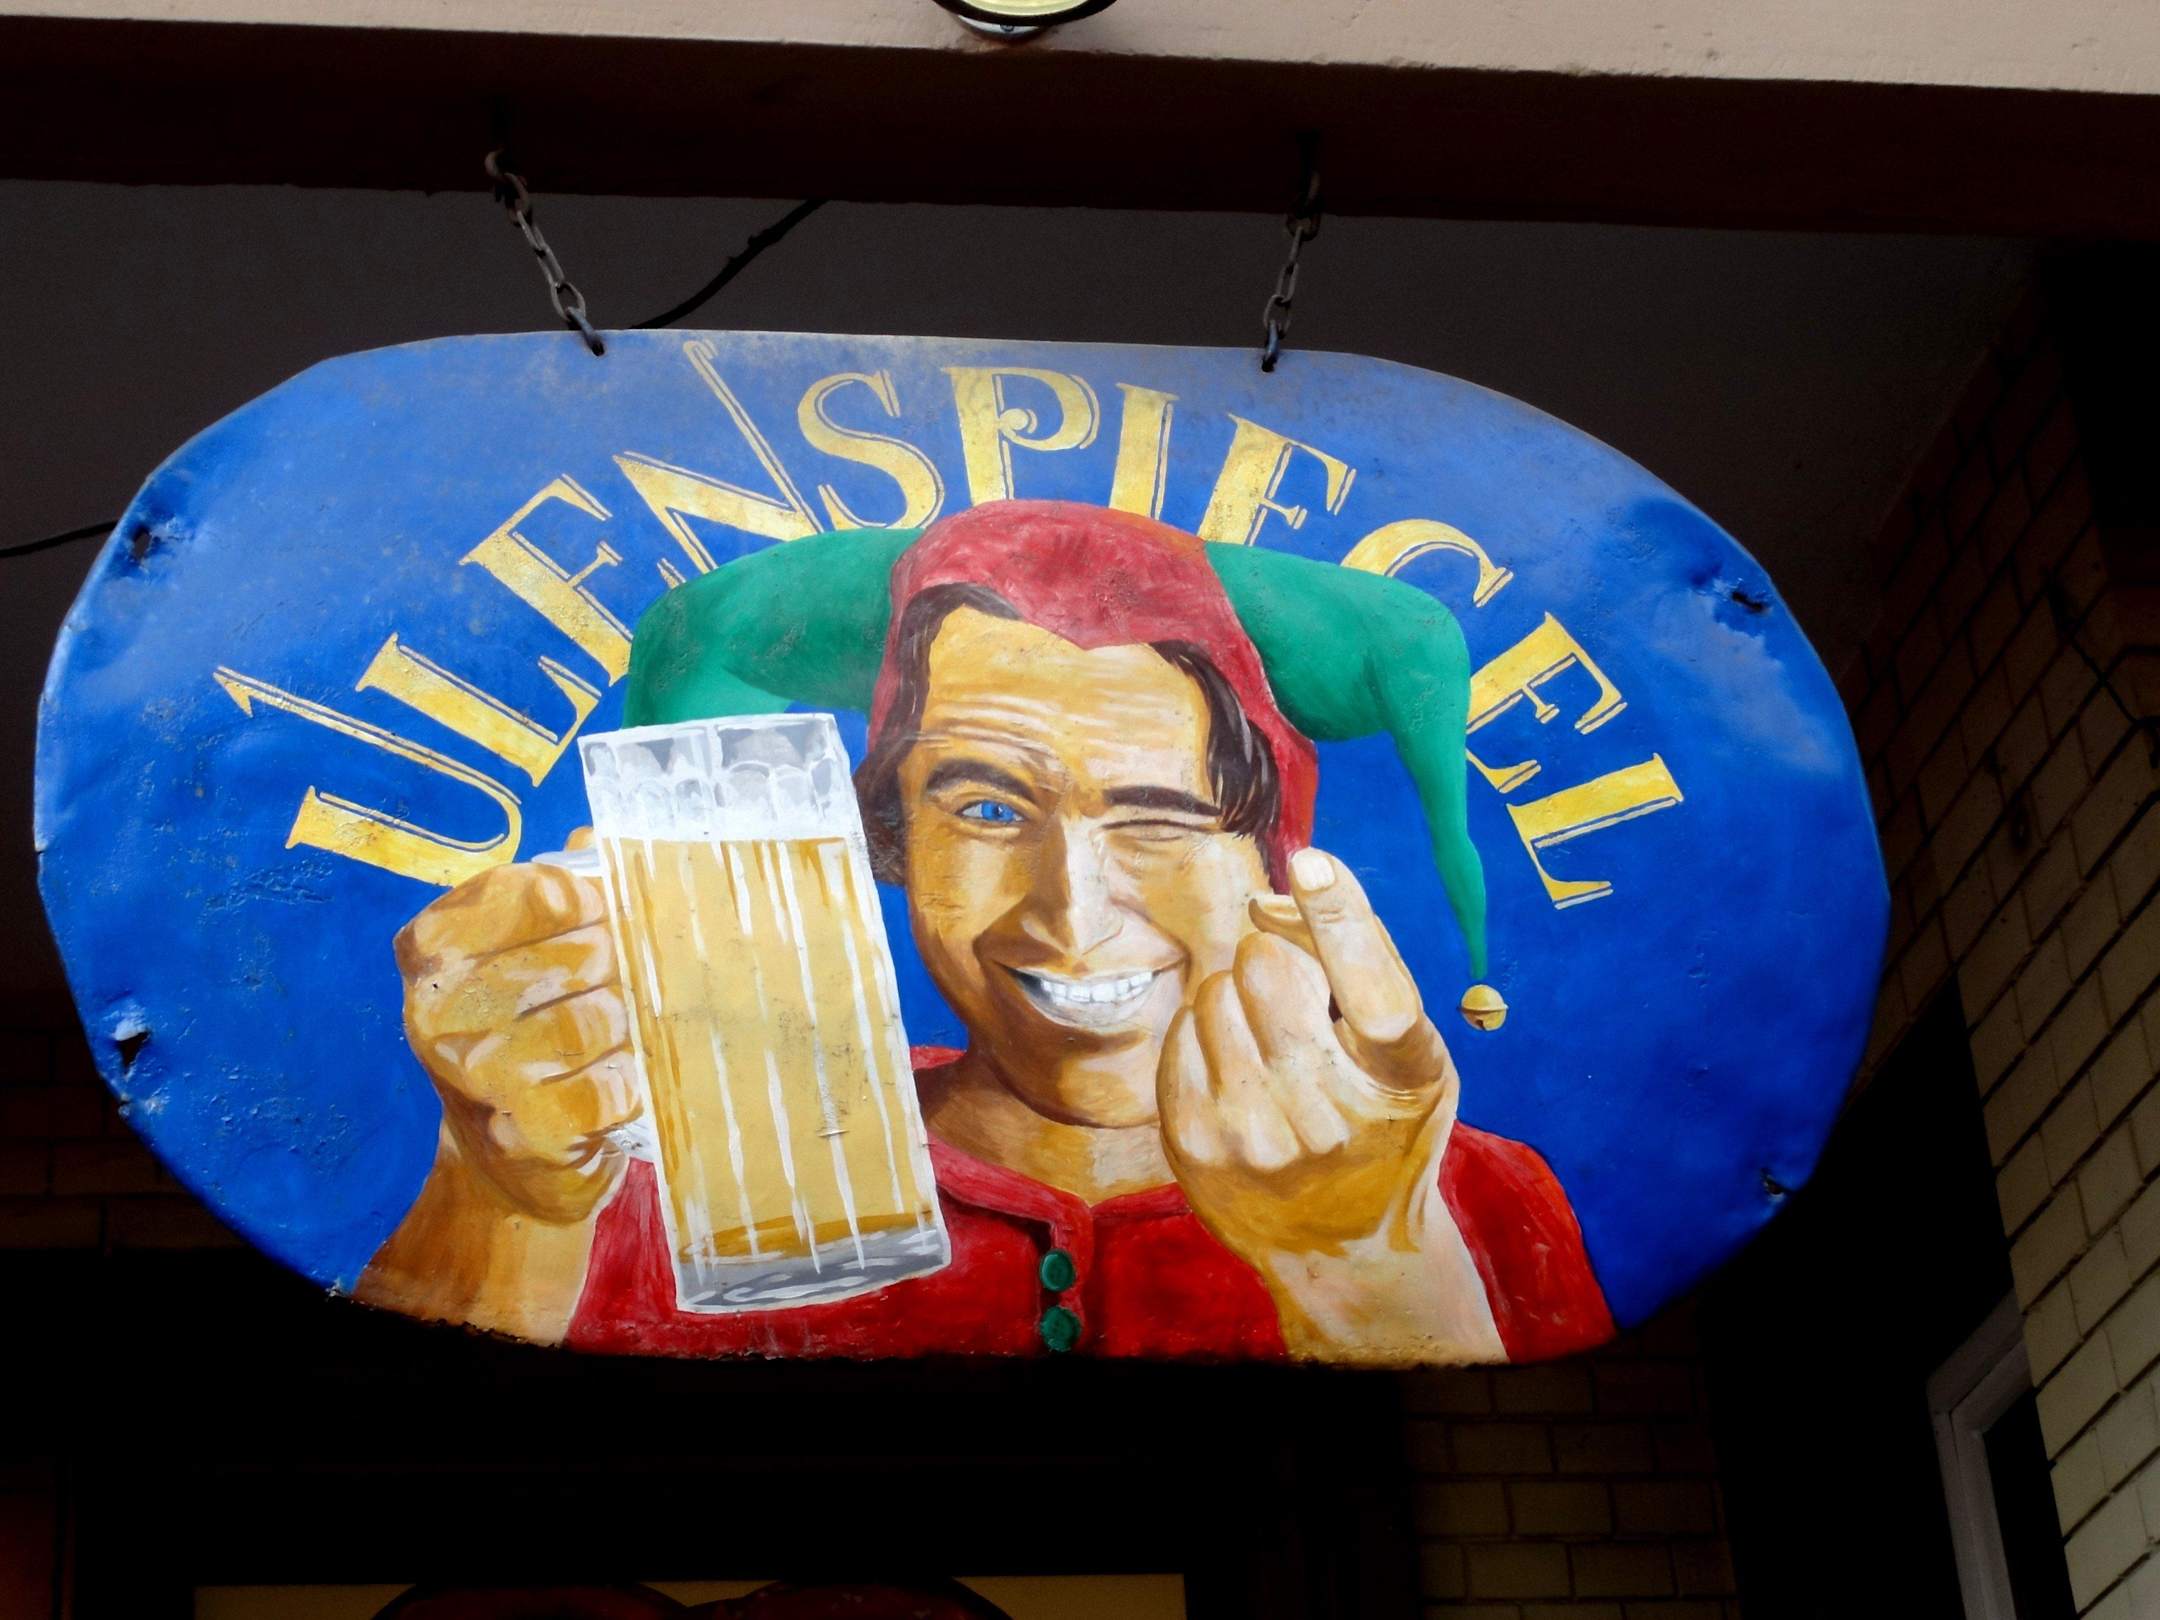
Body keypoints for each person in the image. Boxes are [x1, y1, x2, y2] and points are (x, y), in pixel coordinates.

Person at [359, 501, 1611, 1364]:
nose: (1073, 910)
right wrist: (505, 1202)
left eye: (1161, 819)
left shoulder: (1477, 1200)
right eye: (987, 807)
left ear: (1272, 865)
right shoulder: (655, 1170)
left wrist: (1372, 1262)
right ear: (892, 834)